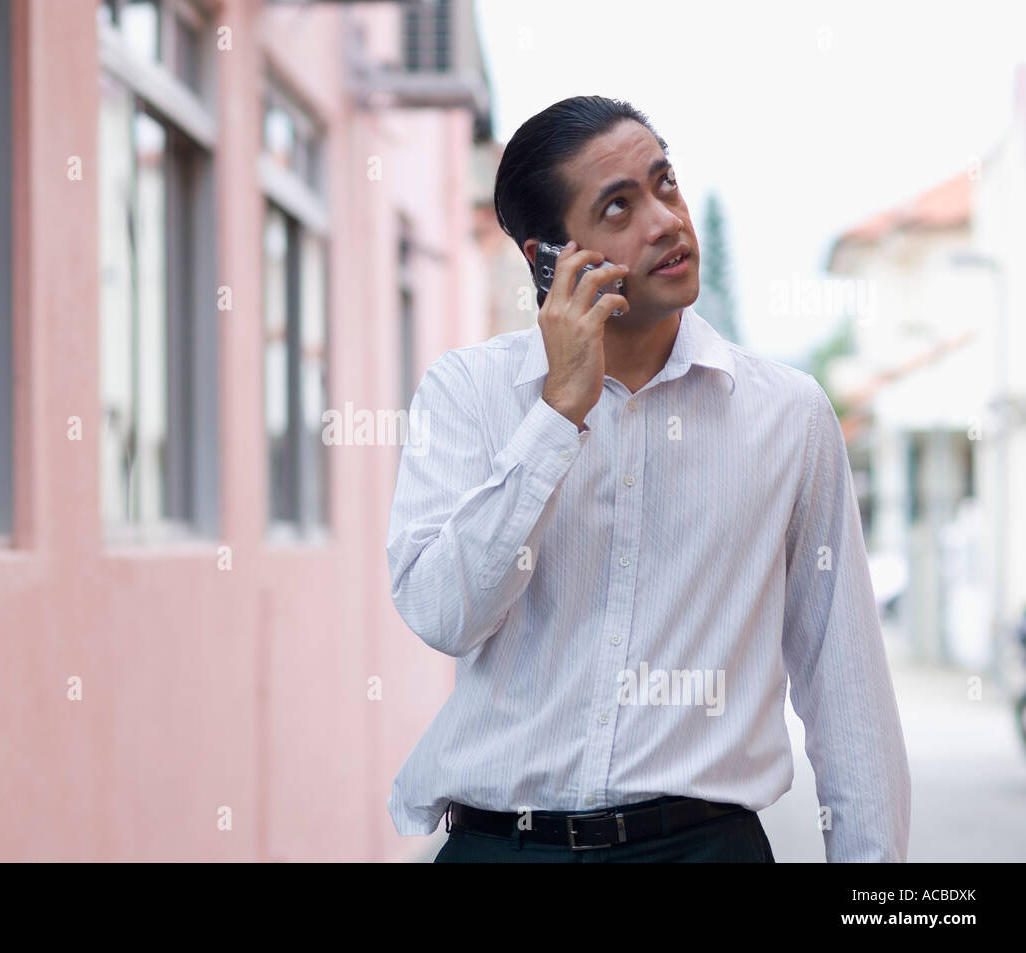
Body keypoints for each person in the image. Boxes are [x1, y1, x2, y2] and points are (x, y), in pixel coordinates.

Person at [384, 95, 910, 862]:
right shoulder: (467, 394)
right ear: (549, 259)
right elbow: (441, 613)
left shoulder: (788, 417)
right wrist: (557, 418)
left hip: (704, 848)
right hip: (504, 846)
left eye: (664, 184)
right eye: (618, 207)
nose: (665, 220)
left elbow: (847, 687)